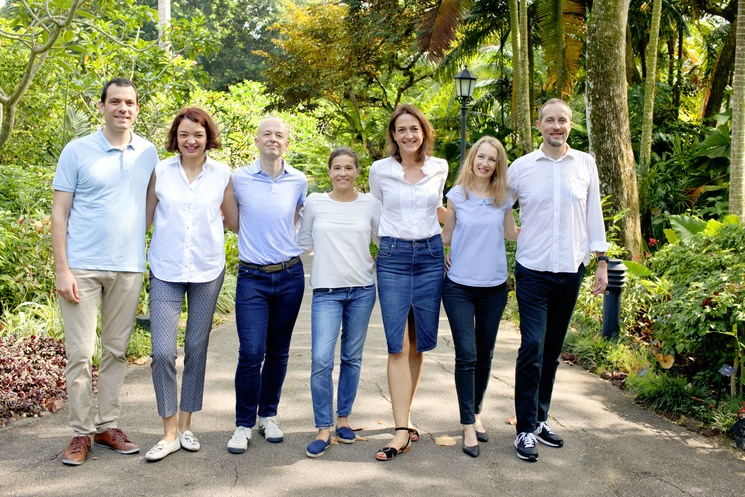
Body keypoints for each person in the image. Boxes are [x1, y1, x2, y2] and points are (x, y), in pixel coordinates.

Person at [51, 78, 159, 466]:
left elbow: (151, 208)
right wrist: (62, 269)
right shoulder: (77, 150)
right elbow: (59, 212)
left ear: (136, 108)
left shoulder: (148, 153)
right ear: (101, 106)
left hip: (128, 268)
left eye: (129, 102)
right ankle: (80, 432)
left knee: (116, 351)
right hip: (81, 266)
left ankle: (107, 424)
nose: (122, 108)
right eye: (115, 102)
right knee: (80, 353)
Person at [509, 98, 609, 462]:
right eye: (549, 120)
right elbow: (497, 208)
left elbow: (593, 212)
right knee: (532, 347)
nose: (556, 126)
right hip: (533, 270)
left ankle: (539, 420)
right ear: (539, 126)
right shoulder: (521, 168)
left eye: (562, 120)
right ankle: (522, 428)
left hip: (570, 269)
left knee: (551, 350)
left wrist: (601, 261)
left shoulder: (585, 163)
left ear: (570, 125)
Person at [143, 107, 239, 461]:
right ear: (175, 137)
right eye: (184, 134)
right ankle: (167, 433)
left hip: (206, 269)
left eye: (197, 134)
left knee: (197, 348)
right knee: (162, 352)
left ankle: (185, 426)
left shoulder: (222, 174)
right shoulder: (161, 171)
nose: (191, 140)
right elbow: (147, 217)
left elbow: (234, 220)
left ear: (207, 137)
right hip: (166, 269)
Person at [369, 104, 448, 461]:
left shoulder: (440, 167)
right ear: (393, 135)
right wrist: (386, 248)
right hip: (393, 258)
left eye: (414, 128)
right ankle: (400, 428)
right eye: (401, 130)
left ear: (424, 131)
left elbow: (442, 210)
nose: (408, 135)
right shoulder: (380, 171)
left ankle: (406, 418)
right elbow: (376, 214)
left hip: (431, 258)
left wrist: (449, 244)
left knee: (418, 343)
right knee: (396, 344)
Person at [227, 117, 308, 454]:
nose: (273, 139)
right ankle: (243, 423)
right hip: (253, 277)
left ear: (286, 143)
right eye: (267, 134)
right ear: (256, 140)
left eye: (279, 135)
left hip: (290, 276)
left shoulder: (299, 180)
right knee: (250, 353)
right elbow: (232, 221)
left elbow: (296, 219)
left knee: (278, 351)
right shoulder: (239, 179)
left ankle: (268, 415)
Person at [296, 148, 381, 458]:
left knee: (351, 358)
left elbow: (384, 240)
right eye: (337, 168)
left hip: (361, 290)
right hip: (326, 293)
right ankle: (323, 428)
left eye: (349, 167)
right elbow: (302, 244)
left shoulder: (370, 203)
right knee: (320, 360)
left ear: (357, 171)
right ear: (329, 171)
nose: (343, 172)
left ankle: (343, 419)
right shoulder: (316, 202)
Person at [440, 136, 519, 458]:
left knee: (485, 354)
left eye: (492, 159)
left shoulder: (504, 198)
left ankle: (475, 411)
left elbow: (512, 233)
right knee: (467, 353)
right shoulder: (456, 195)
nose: (485, 163)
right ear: (472, 159)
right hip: (458, 284)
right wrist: (434, 252)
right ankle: (467, 424)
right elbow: (447, 235)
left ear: (498, 165)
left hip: (494, 286)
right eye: (481, 157)